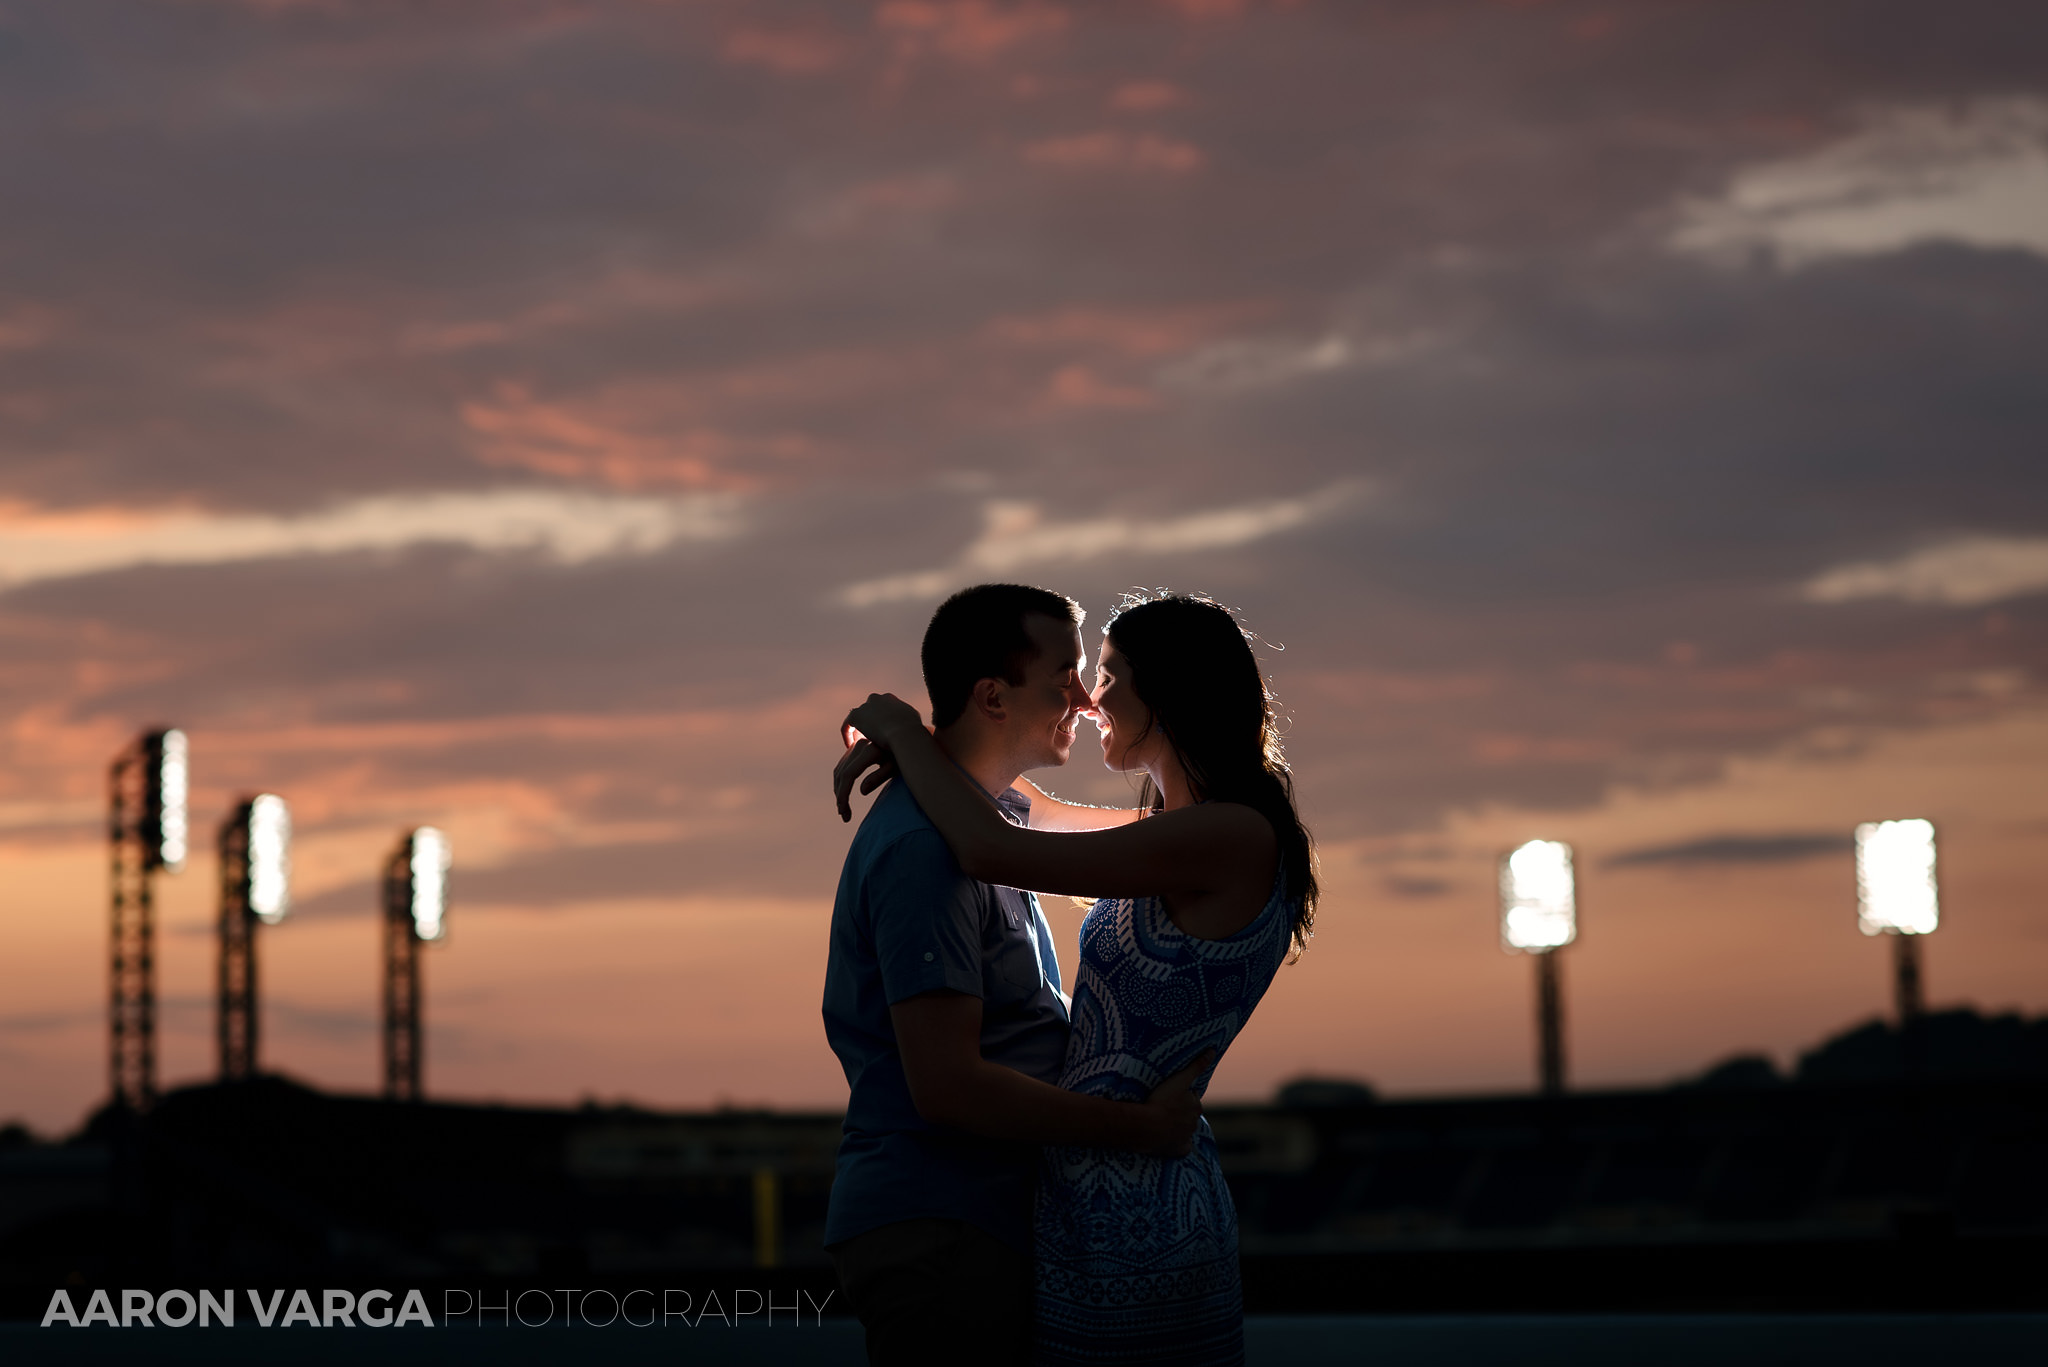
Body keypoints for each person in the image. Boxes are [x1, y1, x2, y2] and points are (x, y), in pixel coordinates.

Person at [837, 590, 1317, 1367]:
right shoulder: (1169, 836)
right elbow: (1021, 807)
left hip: (1144, 1197)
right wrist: (925, 744)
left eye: (1109, 673)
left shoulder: (1228, 834)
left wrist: (900, 730)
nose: (1091, 699)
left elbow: (996, 847)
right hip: (1080, 1192)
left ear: (1168, 690)